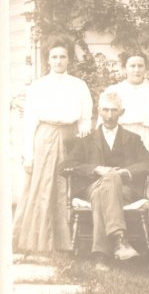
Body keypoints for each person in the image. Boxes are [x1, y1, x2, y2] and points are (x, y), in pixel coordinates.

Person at [13, 34, 93, 253]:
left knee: (67, 187)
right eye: (54, 57)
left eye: (63, 57)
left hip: (71, 140)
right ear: (48, 60)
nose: (58, 61)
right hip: (45, 138)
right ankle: (41, 240)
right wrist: (28, 155)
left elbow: (86, 116)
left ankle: (72, 241)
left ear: (69, 60)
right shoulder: (39, 86)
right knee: (45, 187)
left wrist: (83, 130)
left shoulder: (79, 85)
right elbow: (30, 121)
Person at [61, 91, 149, 271]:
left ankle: (100, 256)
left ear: (122, 112)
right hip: (92, 185)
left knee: (103, 191)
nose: (110, 115)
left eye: (114, 110)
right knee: (108, 179)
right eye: (105, 110)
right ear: (99, 111)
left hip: (123, 191)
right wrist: (96, 169)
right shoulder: (86, 140)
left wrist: (126, 172)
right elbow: (66, 165)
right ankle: (119, 241)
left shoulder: (133, 139)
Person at [98, 52, 149, 157]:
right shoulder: (114, 90)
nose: (137, 70)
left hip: (147, 138)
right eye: (132, 66)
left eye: (140, 66)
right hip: (120, 137)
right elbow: (102, 120)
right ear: (124, 68)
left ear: (146, 68)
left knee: (145, 169)